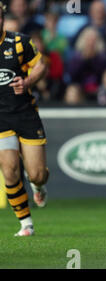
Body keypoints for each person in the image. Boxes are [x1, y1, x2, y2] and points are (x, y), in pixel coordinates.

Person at [0, 2, 49, 236]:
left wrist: (27, 81)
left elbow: (41, 66)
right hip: (1, 119)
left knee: (37, 172)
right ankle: (25, 223)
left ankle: (38, 185)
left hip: (25, 113)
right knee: (9, 169)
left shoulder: (20, 42)